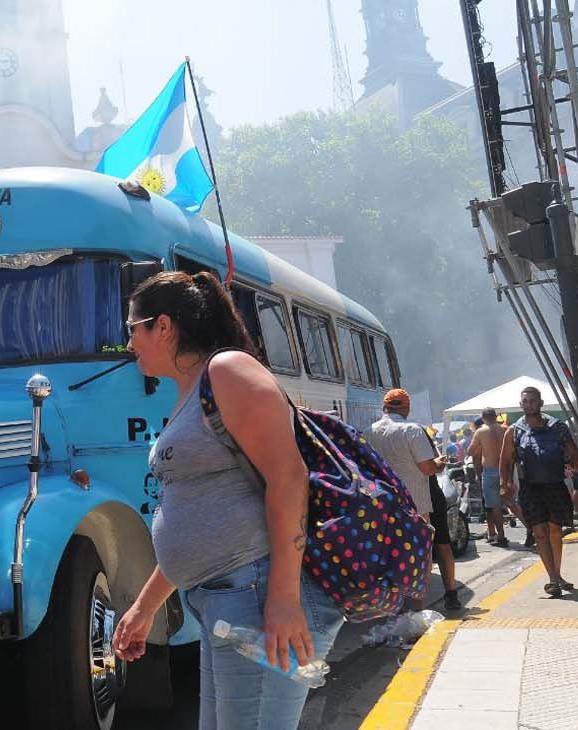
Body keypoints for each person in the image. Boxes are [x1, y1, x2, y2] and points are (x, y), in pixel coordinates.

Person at [109, 272, 345, 730]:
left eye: (131, 329)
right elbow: (196, 519)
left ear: (162, 326)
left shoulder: (228, 371)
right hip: (227, 601)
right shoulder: (190, 391)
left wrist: (282, 598)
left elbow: (289, 478)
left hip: (256, 598)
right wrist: (144, 608)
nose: (128, 343)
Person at [367, 390, 461, 610]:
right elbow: (428, 468)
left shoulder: (369, 431)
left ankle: (395, 606)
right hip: (417, 504)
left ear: (385, 407)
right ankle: (419, 606)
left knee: (393, 554)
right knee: (423, 552)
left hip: (385, 505)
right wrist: (440, 463)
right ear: (406, 408)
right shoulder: (412, 429)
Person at [499, 386, 578, 597]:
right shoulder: (514, 431)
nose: (529, 404)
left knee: (555, 531)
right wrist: (504, 483)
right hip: (530, 488)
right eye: (525, 401)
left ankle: (557, 574)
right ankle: (553, 579)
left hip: (555, 485)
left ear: (540, 403)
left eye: (532, 401)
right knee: (539, 533)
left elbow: (574, 454)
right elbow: (506, 459)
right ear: (521, 405)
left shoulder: (558, 427)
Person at [468, 408, 510, 547]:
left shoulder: (481, 432)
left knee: (495, 507)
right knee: (513, 503)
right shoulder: (505, 429)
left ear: (483, 418)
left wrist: (481, 446)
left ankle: (501, 536)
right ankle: (530, 530)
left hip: (490, 471)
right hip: (506, 470)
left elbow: (470, 451)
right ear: (495, 416)